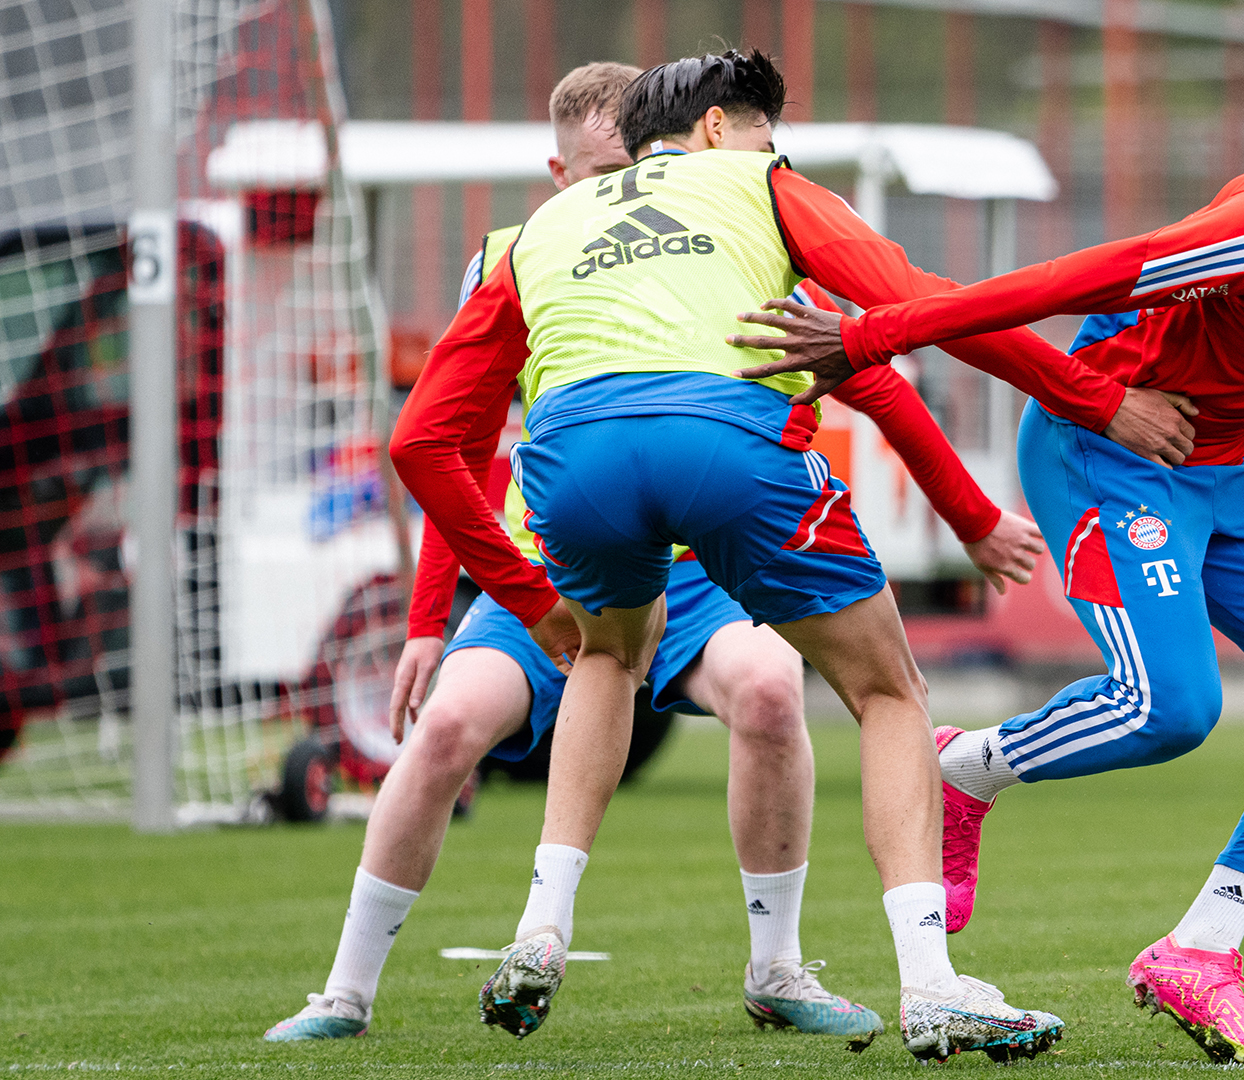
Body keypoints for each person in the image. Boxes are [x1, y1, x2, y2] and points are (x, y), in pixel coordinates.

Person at [730, 79, 1244, 1066]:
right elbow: (1081, 278)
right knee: (1169, 709)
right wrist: (873, 334)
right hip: (1110, 450)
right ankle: (966, 768)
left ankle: (1200, 951)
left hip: (1219, 468)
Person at [389, 49, 1193, 1062]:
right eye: (767, 128)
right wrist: (1095, 399)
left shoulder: (536, 230)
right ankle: (932, 985)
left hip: (570, 459)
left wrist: (516, 592)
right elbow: (917, 301)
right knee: (889, 690)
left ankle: (542, 926)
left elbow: (422, 444)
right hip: (726, 444)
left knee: (603, 654)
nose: (781, 147)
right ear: (721, 127)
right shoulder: (756, 184)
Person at [264, 63, 1045, 1047]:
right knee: (449, 723)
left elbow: (868, 378)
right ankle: (349, 991)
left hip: (664, 549)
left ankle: (772, 968)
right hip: (553, 555)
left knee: (766, 688)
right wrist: (434, 617)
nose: (621, 183)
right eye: (596, 169)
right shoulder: (552, 242)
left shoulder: (678, 223)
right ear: (562, 170)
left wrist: (968, 512)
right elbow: (452, 448)